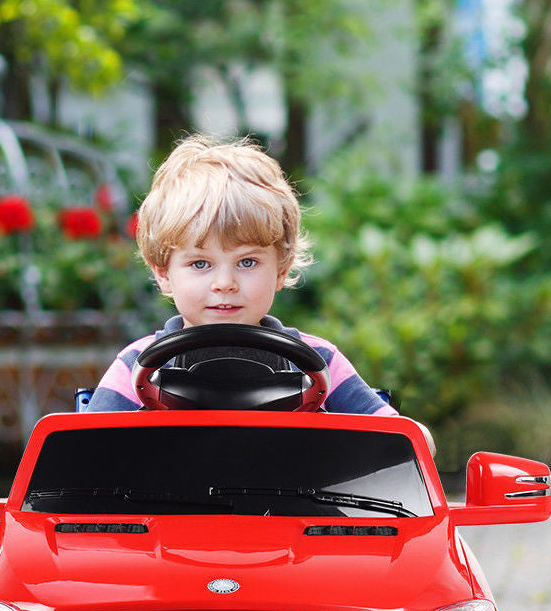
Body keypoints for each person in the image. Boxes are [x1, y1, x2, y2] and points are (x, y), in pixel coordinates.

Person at [86, 133, 398, 416]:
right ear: (163, 273)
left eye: (247, 262)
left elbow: (397, 438)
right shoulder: (135, 366)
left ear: (281, 268)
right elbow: (83, 449)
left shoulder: (321, 362)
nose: (225, 284)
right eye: (200, 264)